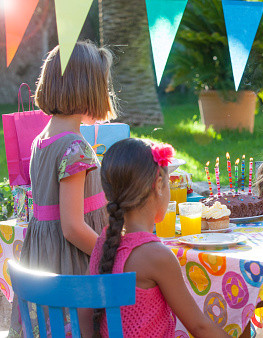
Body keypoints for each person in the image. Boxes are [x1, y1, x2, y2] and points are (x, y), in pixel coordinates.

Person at [9, 41, 116, 336]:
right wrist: (112, 255)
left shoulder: (42, 139)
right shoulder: (75, 147)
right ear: (89, 89)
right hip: (73, 263)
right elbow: (72, 227)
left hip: (46, 256)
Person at [89, 138, 229, 338]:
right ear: (160, 185)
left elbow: (84, 309)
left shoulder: (103, 242)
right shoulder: (156, 255)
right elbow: (200, 327)